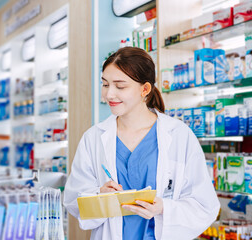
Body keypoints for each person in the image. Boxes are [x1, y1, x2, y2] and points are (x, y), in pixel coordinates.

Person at [63, 47, 220, 240]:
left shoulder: (179, 136)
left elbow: (205, 206)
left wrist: (164, 208)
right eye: (105, 85)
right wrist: (98, 196)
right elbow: (72, 200)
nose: (109, 95)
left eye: (120, 86)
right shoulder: (93, 138)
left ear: (144, 89)